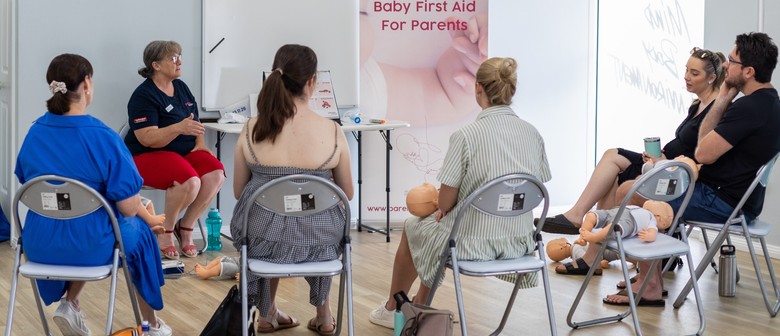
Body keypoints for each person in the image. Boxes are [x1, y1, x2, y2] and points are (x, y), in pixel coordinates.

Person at [368, 57, 552, 329]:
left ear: (478, 88)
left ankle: (395, 308)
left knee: (413, 227)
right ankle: (417, 308)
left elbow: (446, 200)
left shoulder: (467, 135)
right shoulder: (532, 133)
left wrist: (439, 203)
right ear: (511, 90)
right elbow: (537, 184)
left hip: (470, 244)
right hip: (520, 242)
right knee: (439, 232)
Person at [15, 54, 171, 336]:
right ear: (87, 84)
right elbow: (127, 207)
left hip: (39, 245)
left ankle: (71, 303)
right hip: (89, 247)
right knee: (136, 229)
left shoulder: (34, 133)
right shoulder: (103, 136)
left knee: (96, 217)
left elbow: (30, 186)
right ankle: (152, 326)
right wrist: (146, 216)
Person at [230, 44, 353, 335]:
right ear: (312, 81)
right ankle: (324, 314)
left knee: (272, 224)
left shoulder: (251, 129)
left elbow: (238, 191)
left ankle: (267, 313)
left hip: (262, 240)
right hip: (320, 240)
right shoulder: (332, 131)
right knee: (313, 224)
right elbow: (347, 192)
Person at [540, 47, 726, 234]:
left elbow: (701, 156)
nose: (686, 76)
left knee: (614, 176)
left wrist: (664, 162)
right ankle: (588, 227)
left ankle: (591, 231)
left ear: (711, 78)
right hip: (662, 162)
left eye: (694, 73)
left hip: (672, 172)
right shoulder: (697, 105)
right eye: (686, 70)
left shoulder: (715, 111)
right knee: (612, 156)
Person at [125, 40, 226, 260]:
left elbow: (194, 118)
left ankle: (186, 226)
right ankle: (166, 231)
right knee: (190, 181)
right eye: (172, 58)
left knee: (215, 173)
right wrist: (178, 128)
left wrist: (200, 143)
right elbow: (147, 138)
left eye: (179, 56)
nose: (179, 61)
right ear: (156, 65)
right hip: (144, 155)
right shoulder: (143, 95)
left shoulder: (181, 87)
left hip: (182, 153)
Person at [555, 201, 674, 276]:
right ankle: (584, 235)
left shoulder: (651, 220)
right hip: (616, 212)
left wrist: (648, 236)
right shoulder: (640, 208)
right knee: (592, 215)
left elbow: (653, 233)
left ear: (659, 217)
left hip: (629, 222)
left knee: (613, 228)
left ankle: (594, 237)